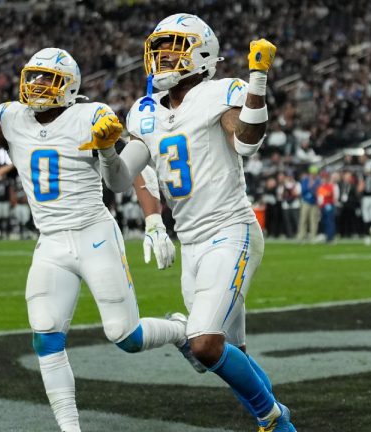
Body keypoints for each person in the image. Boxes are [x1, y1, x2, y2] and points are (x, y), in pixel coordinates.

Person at [0, 24, 184, 432]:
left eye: (47, 78)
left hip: (93, 234)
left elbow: (134, 170)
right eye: (33, 76)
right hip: (51, 243)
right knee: (45, 333)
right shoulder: (14, 118)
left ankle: (180, 330)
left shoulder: (90, 115)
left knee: (123, 334)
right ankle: (69, 428)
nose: (37, 84)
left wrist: (153, 220)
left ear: (69, 86)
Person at [96, 13, 295, 431]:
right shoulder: (145, 112)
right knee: (227, 353)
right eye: (159, 55)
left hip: (230, 228)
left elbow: (247, 141)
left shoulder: (218, 92)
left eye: (173, 54)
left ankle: (275, 421)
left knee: (205, 344)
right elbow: (117, 180)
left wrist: (257, 80)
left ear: (202, 54)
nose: (163, 62)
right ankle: (273, 407)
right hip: (191, 242)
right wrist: (108, 150)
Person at [297, 165, 321, 242]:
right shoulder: (305, 180)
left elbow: (319, 192)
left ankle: (313, 236)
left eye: (314, 173)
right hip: (306, 202)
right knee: (303, 220)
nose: (313, 175)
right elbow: (303, 191)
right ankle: (301, 236)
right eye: (312, 173)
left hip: (314, 203)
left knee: (313, 220)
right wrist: (309, 186)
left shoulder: (318, 181)